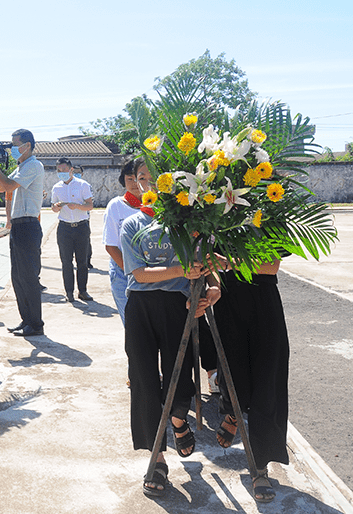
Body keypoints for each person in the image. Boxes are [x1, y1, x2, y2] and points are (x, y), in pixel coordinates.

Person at [119, 166, 219, 497]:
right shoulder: (132, 223)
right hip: (141, 308)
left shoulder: (187, 222)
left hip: (180, 307)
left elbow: (205, 261)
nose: (148, 181)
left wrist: (208, 287)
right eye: (142, 176)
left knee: (182, 379)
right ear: (135, 182)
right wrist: (179, 270)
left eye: (155, 174)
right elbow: (138, 274)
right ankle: (157, 459)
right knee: (145, 380)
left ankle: (178, 419)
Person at [211, 258, 289, 503]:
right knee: (232, 375)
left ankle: (260, 467)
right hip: (226, 299)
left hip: (263, 299)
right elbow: (207, 259)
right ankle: (234, 414)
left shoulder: (271, 217)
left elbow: (270, 266)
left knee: (267, 381)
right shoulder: (215, 218)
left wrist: (228, 262)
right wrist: (213, 283)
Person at [0, 129, 45, 337]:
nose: (12, 149)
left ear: (27, 145)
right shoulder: (23, 166)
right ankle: (26, 320)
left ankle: (36, 324)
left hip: (28, 226)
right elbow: (4, 188)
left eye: (15, 144)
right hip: (20, 226)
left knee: (28, 277)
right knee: (18, 276)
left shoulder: (33, 165)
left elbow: (5, 186)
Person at [103, 157, 150, 325]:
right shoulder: (116, 205)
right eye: (129, 179)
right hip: (124, 273)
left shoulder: (156, 206)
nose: (134, 183)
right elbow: (111, 246)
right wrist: (133, 272)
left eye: (137, 178)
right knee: (133, 326)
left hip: (152, 272)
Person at [51, 157, 94, 302]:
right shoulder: (56, 187)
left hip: (81, 227)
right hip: (64, 228)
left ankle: (83, 291)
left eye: (64, 170)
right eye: (59, 170)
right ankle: (69, 292)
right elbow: (53, 208)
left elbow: (90, 206)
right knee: (66, 262)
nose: (62, 172)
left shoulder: (83, 185)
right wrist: (56, 207)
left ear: (71, 170)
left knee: (82, 262)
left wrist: (77, 206)